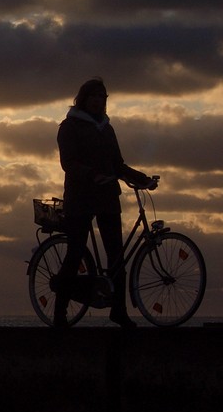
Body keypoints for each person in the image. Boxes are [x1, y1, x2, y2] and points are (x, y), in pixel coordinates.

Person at [53, 78, 157, 328]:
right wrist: (91, 175)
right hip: (80, 198)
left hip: (108, 197)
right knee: (75, 252)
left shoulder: (107, 129)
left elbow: (117, 165)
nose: (99, 101)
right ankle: (60, 312)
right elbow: (69, 163)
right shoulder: (69, 126)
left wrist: (142, 179)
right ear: (83, 99)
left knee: (117, 256)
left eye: (103, 97)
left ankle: (118, 311)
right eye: (95, 96)